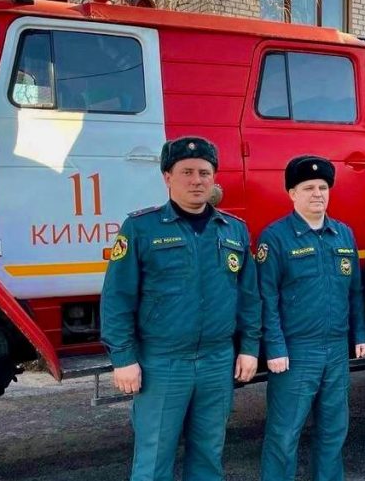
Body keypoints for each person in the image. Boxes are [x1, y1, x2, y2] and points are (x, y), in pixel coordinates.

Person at [100, 136, 261, 481]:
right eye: (186, 171)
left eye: (204, 172)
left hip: (217, 362)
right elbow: (117, 298)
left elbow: (249, 297)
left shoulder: (234, 230)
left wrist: (249, 348)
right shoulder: (141, 228)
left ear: (214, 178)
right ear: (167, 177)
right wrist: (123, 358)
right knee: (154, 458)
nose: (196, 180)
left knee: (208, 456)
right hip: (163, 363)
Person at [258, 155, 365, 481]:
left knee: (334, 430)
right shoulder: (275, 238)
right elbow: (267, 297)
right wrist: (274, 348)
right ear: (292, 193)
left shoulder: (343, 235)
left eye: (323, 187)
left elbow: (355, 292)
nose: (317, 194)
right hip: (296, 352)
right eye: (308, 188)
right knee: (284, 433)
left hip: (336, 350)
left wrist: (360, 334)